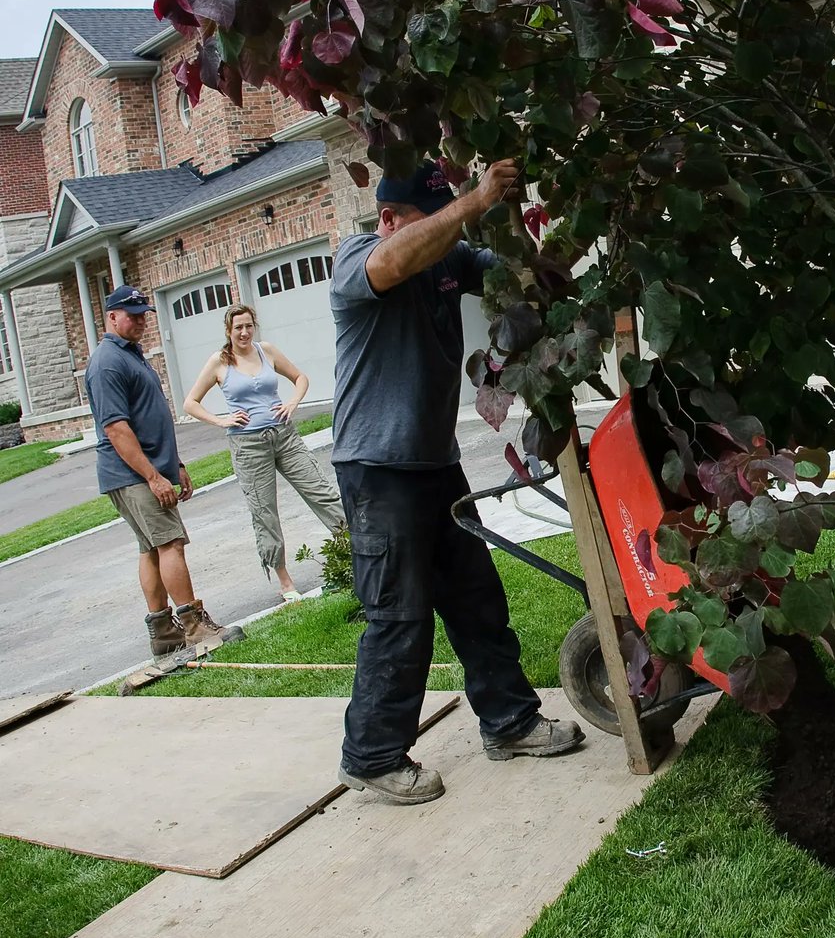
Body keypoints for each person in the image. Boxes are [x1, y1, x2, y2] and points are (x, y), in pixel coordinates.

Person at [329, 158, 584, 805]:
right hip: (377, 471)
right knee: (399, 615)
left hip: (436, 464)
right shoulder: (358, 259)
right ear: (388, 219)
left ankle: (511, 721)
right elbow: (396, 263)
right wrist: (471, 204)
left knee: (476, 598)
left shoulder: (448, 257)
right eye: (430, 220)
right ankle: (373, 755)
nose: (446, 241)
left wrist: (568, 213)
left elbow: (520, 278)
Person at [84, 284, 243, 656]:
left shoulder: (131, 355)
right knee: (170, 543)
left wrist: (175, 466)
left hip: (145, 470)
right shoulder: (107, 362)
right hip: (132, 474)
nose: (140, 322)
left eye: (143, 315)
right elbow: (116, 428)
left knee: (151, 548)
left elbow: (147, 418)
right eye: (132, 315)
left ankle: (163, 632)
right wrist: (153, 477)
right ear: (111, 317)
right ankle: (194, 626)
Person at [183, 303, 345, 601]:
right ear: (228, 331)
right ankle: (285, 582)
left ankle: (353, 549)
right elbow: (190, 402)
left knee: (320, 490)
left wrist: (292, 403)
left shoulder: (266, 350)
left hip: (284, 435)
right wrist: (221, 420)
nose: (244, 332)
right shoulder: (219, 362)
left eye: (248, 326)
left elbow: (301, 378)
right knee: (264, 511)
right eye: (238, 328)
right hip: (248, 445)